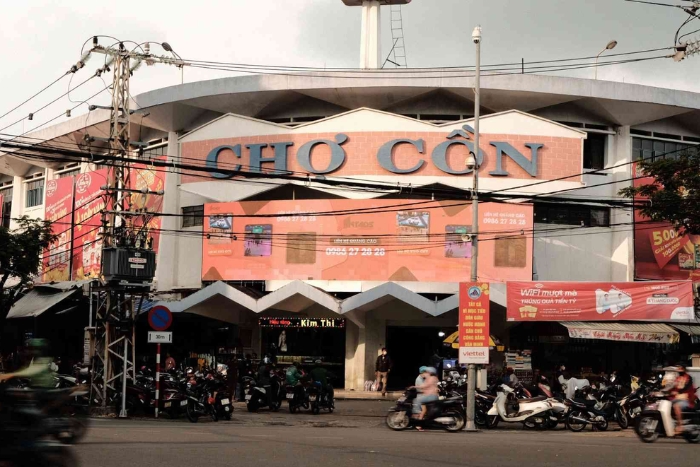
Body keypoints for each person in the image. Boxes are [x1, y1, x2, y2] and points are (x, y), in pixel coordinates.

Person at [670, 365, 696, 434]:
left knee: (676, 406)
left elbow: (687, 387)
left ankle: (680, 425)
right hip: (676, 398)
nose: (678, 370)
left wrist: (678, 392)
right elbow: (672, 386)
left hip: (686, 400)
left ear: (684, 369)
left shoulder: (688, 378)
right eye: (678, 369)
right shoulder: (677, 378)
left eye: (680, 369)